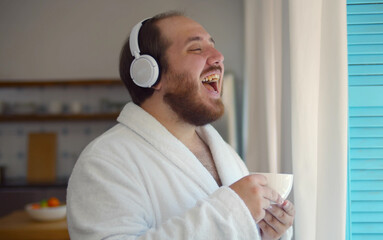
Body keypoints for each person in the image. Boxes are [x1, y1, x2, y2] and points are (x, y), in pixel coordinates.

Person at [67, 11, 294, 240]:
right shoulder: (104, 162)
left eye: (213, 46)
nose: (218, 56)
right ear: (150, 74)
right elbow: (232, 217)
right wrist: (234, 212)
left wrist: (268, 232)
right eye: (196, 49)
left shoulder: (225, 154)